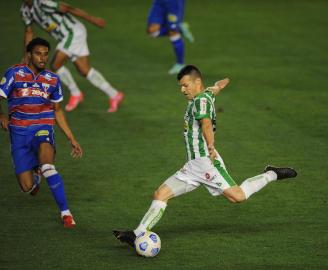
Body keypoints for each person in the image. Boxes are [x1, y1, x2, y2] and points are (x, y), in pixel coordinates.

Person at [113, 65, 297, 246]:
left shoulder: (200, 102)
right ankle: (137, 234)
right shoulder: (204, 96)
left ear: (197, 82)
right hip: (192, 166)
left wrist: (210, 144)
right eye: (180, 87)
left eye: (185, 85)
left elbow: (206, 124)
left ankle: (271, 174)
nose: (183, 90)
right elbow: (212, 91)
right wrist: (219, 85)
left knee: (238, 197)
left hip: (207, 163)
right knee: (160, 194)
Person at [0, 38, 83, 228]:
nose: (42, 58)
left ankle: (66, 214)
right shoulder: (14, 73)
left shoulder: (52, 79)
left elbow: (58, 110)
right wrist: (1, 115)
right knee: (27, 187)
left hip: (42, 128)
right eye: (38, 53)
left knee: (48, 166)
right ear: (29, 55)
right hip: (19, 133)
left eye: (46, 54)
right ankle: (36, 177)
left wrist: (71, 138)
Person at [21, 0, 124, 112]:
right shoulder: (25, 10)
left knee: (55, 65)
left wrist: (92, 19)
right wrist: (27, 53)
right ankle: (114, 94)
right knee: (84, 70)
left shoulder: (43, 3)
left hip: (72, 32)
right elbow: (29, 32)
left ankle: (76, 93)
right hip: (69, 36)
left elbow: (68, 8)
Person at [147, 0, 195, 75]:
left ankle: (180, 64)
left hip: (174, 2)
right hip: (159, 2)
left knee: (173, 32)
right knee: (152, 32)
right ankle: (179, 28)